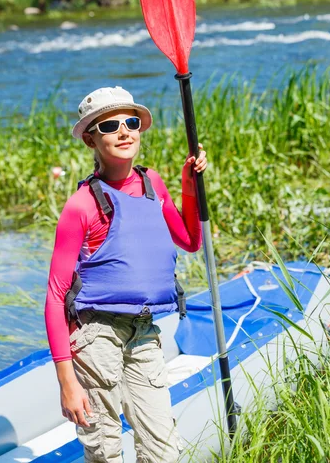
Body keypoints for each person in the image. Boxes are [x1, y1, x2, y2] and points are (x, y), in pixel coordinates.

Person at [44, 86, 207, 463]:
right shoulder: (81, 205)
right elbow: (55, 298)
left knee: (163, 451)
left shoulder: (154, 185)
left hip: (144, 332)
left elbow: (189, 241)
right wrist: (67, 383)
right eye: (110, 125)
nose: (124, 131)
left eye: (131, 123)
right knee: (105, 451)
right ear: (91, 138)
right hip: (96, 336)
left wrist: (188, 182)